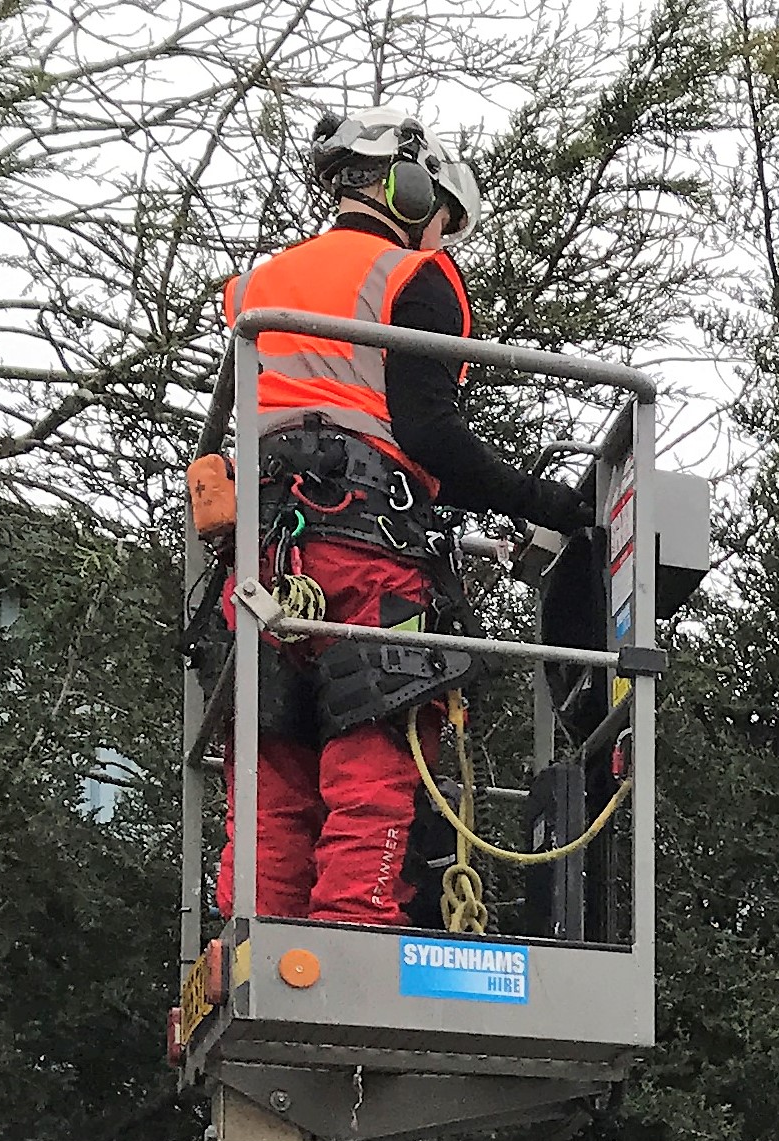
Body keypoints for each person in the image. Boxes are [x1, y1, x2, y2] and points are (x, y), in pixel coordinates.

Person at [215, 109, 592, 929]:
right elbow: (427, 434)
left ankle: (257, 948)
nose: (443, 241)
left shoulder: (258, 286)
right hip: (363, 557)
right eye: (444, 223)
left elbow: (321, 419)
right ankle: (353, 943)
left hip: (264, 557)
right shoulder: (414, 277)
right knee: (373, 759)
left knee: (273, 767)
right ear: (412, 189)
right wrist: (543, 499)